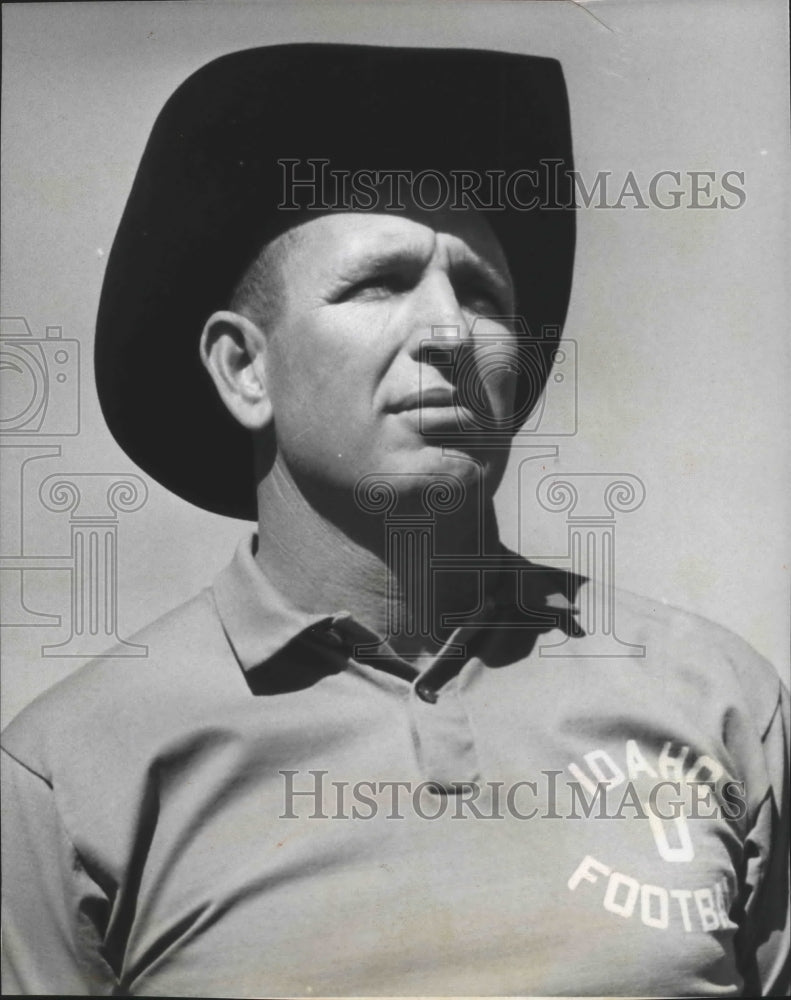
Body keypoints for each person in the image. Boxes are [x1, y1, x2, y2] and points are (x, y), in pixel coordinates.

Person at [1, 43, 788, 998]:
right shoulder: (68, 774)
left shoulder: (718, 702)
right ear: (243, 369)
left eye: (482, 294)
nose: (451, 337)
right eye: (377, 284)